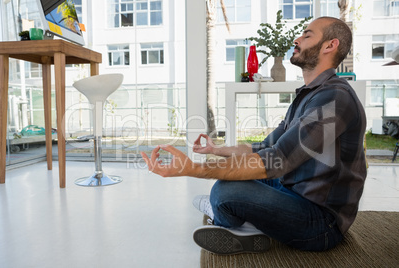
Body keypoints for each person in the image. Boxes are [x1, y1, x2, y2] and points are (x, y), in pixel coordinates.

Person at [141, 16, 367, 254]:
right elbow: (266, 146)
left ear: (329, 46)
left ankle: (234, 219)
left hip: (322, 223)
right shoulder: (310, 94)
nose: (297, 39)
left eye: (307, 35)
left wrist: (194, 169)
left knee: (227, 192)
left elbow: (278, 159)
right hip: (294, 190)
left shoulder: (334, 99)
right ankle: (243, 224)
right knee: (230, 177)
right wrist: (217, 151)